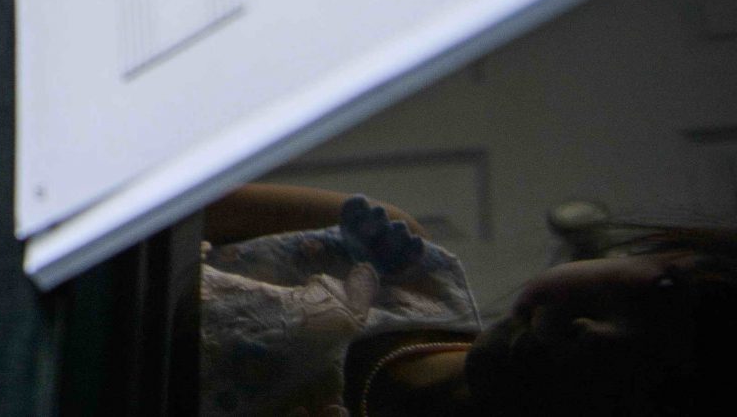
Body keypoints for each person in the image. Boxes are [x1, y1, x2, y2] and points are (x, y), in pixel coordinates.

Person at [197, 185, 735, 416]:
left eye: (659, 377)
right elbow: (155, 215)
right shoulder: (393, 260)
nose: (595, 333)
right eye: (664, 293)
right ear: (659, 247)